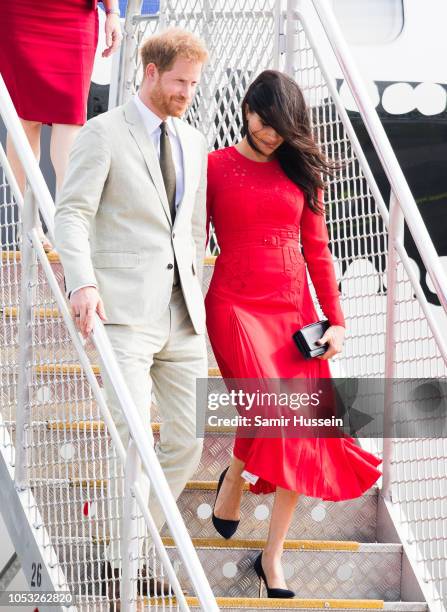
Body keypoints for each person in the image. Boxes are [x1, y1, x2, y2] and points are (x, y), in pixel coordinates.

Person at [205, 70, 382, 598]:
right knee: (272, 412)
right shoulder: (214, 167)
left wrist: (338, 320)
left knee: (304, 431)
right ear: (247, 109)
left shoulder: (301, 173)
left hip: (294, 313)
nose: (272, 134)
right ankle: (235, 475)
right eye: (266, 123)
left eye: (283, 127)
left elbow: (318, 251)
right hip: (234, 305)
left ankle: (273, 556)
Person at [54, 28, 209, 602]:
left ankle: (123, 538)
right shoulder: (102, 134)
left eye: (193, 84)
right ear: (149, 72)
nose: (186, 94)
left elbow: (191, 231)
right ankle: (128, 565)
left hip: (182, 316)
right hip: (121, 310)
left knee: (188, 440)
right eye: (178, 82)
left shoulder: (194, 141)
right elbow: (70, 213)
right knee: (132, 437)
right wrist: (83, 281)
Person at [0, 0, 122, 251]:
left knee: (71, 121)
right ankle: (29, 226)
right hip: (19, 13)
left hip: (74, 15)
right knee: (24, 120)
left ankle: (67, 228)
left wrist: (113, 11)